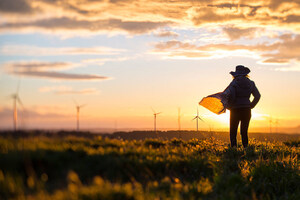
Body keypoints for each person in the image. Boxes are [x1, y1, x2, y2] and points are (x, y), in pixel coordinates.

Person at [226, 65, 261, 148]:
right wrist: (251, 105)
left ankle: (234, 149)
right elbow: (257, 96)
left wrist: (228, 106)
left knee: (233, 131)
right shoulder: (251, 83)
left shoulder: (233, 83)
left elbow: (232, 96)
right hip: (247, 110)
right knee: (244, 131)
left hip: (235, 110)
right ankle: (246, 148)